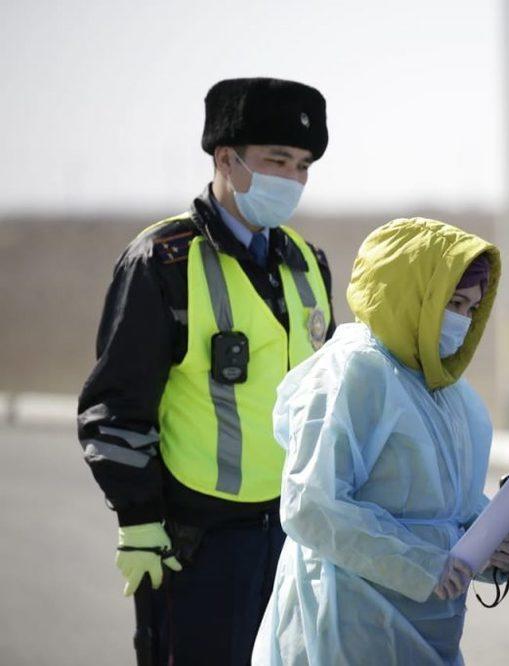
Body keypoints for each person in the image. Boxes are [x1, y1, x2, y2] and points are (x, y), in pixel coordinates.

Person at [77, 77, 335, 665]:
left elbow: (329, 395)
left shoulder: (305, 263)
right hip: (197, 546)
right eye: (277, 161)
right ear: (225, 159)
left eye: (302, 166)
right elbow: (116, 405)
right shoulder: (163, 262)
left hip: (292, 538)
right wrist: (139, 520)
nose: (292, 179)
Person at [252, 218, 509, 665]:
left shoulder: (450, 394)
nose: (462, 320)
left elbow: (448, 507)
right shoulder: (352, 372)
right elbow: (312, 505)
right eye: (454, 303)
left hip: (429, 626)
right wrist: (424, 564)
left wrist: (491, 547)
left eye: (472, 309)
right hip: (348, 625)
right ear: (412, 295)